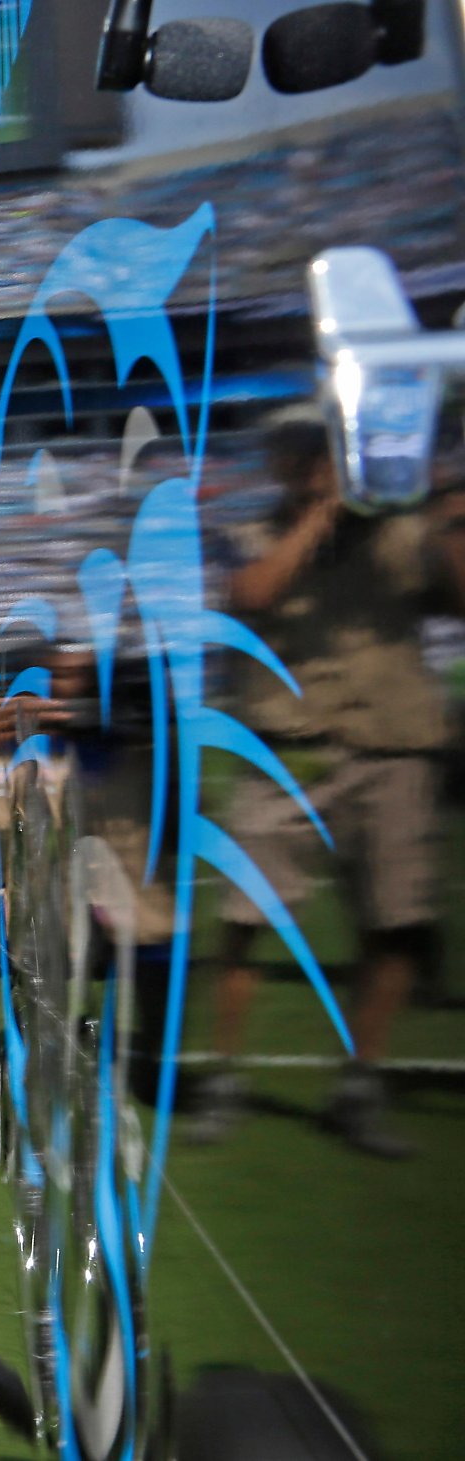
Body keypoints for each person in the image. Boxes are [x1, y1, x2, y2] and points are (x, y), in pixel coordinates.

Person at [201, 418, 458, 1157]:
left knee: (395, 920)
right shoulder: (257, 532)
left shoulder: (404, 535)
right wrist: (319, 514)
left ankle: (360, 1082)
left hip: (393, 746)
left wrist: (448, 514)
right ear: (285, 464)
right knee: (246, 917)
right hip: (291, 751)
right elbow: (250, 593)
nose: (317, 466)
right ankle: (224, 1077)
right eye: (305, 455)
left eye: (327, 453)